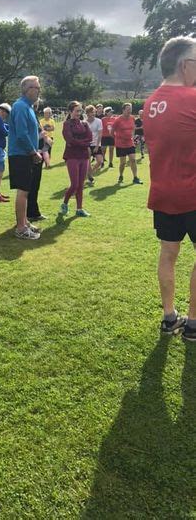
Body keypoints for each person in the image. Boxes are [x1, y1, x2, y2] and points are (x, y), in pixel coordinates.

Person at [142, 36, 196, 341]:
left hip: (163, 193)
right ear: (185, 65)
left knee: (168, 253)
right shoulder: (192, 98)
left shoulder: (150, 103)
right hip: (193, 191)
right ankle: (193, 324)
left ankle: (169, 316)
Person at [8, 76, 43, 240]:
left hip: (26, 154)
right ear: (26, 89)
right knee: (23, 191)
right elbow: (21, 134)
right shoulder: (21, 106)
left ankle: (25, 222)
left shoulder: (28, 107)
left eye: (38, 87)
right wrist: (33, 152)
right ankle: (21, 228)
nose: (38, 91)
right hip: (21, 155)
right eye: (36, 87)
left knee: (27, 191)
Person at [59, 101, 93, 217]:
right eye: (77, 111)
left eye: (80, 111)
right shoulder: (67, 124)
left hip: (84, 156)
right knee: (74, 184)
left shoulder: (84, 124)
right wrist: (82, 142)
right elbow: (70, 140)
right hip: (72, 156)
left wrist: (79, 142)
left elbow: (90, 138)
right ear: (70, 111)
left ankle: (79, 209)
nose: (79, 113)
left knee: (81, 184)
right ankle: (65, 204)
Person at [112, 103, 143, 184]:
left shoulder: (132, 118)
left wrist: (132, 135)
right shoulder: (118, 120)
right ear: (123, 110)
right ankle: (121, 175)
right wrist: (116, 138)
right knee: (123, 163)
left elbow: (133, 129)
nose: (130, 110)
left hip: (130, 142)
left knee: (133, 159)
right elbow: (112, 131)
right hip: (120, 144)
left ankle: (135, 178)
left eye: (130, 109)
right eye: (128, 109)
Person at [27, 114, 50, 221]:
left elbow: (41, 133)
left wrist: (46, 140)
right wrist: (40, 136)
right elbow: (25, 136)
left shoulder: (33, 116)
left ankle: (34, 212)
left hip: (38, 154)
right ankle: (30, 214)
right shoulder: (25, 113)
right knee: (30, 186)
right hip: (32, 156)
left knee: (35, 186)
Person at [85, 104, 103, 185]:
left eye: (94, 112)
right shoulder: (84, 122)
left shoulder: (98, 121)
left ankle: (89, 174)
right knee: (87, 162)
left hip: (96, 144)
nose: (93, 113)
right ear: (87, 113)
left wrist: (97, 145)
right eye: (91, 112)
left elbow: (100, 134)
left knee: (99, 161)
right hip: (87, 145)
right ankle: (90, 177)